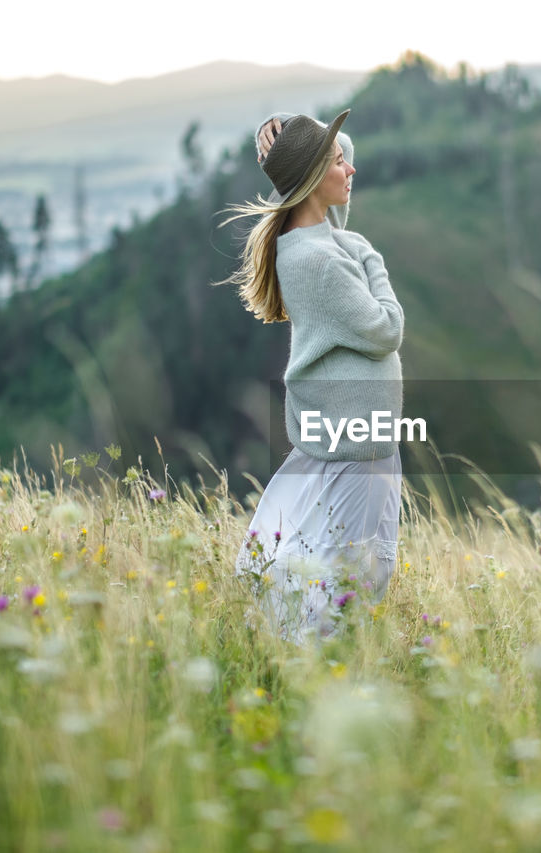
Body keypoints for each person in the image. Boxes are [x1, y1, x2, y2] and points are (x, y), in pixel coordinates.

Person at [214, 109, 405, 646]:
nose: (350, 168)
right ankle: (321, 672)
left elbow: (334, 163)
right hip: (356, 443)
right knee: (355, 576)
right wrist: (374, 261)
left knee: (321, 559)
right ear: (315, 177)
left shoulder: (315, 235)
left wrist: (288, 131)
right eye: (339, 160)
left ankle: (302, 660)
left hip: (344, 434)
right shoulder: (327, 258)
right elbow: (386, 329)